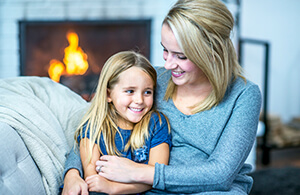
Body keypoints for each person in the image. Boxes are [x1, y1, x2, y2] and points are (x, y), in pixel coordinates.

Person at [62, 0, 262, 194]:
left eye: (181, 56)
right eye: (165, 50)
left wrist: (140, 172)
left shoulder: (244, 95)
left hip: (209, 189)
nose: (167, 65)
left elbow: (220, 175)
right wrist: (72, 173)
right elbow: (94, 125)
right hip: (147, 188)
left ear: (212, 53)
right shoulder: (150, 81)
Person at [62, 51, 171, 194]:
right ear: (108, 95)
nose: (139, 100)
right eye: (130, 91)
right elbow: (93, 179)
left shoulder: (156, 123)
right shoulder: (94, 126)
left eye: (147, 92)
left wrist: (114, 188)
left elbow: (155, 177)